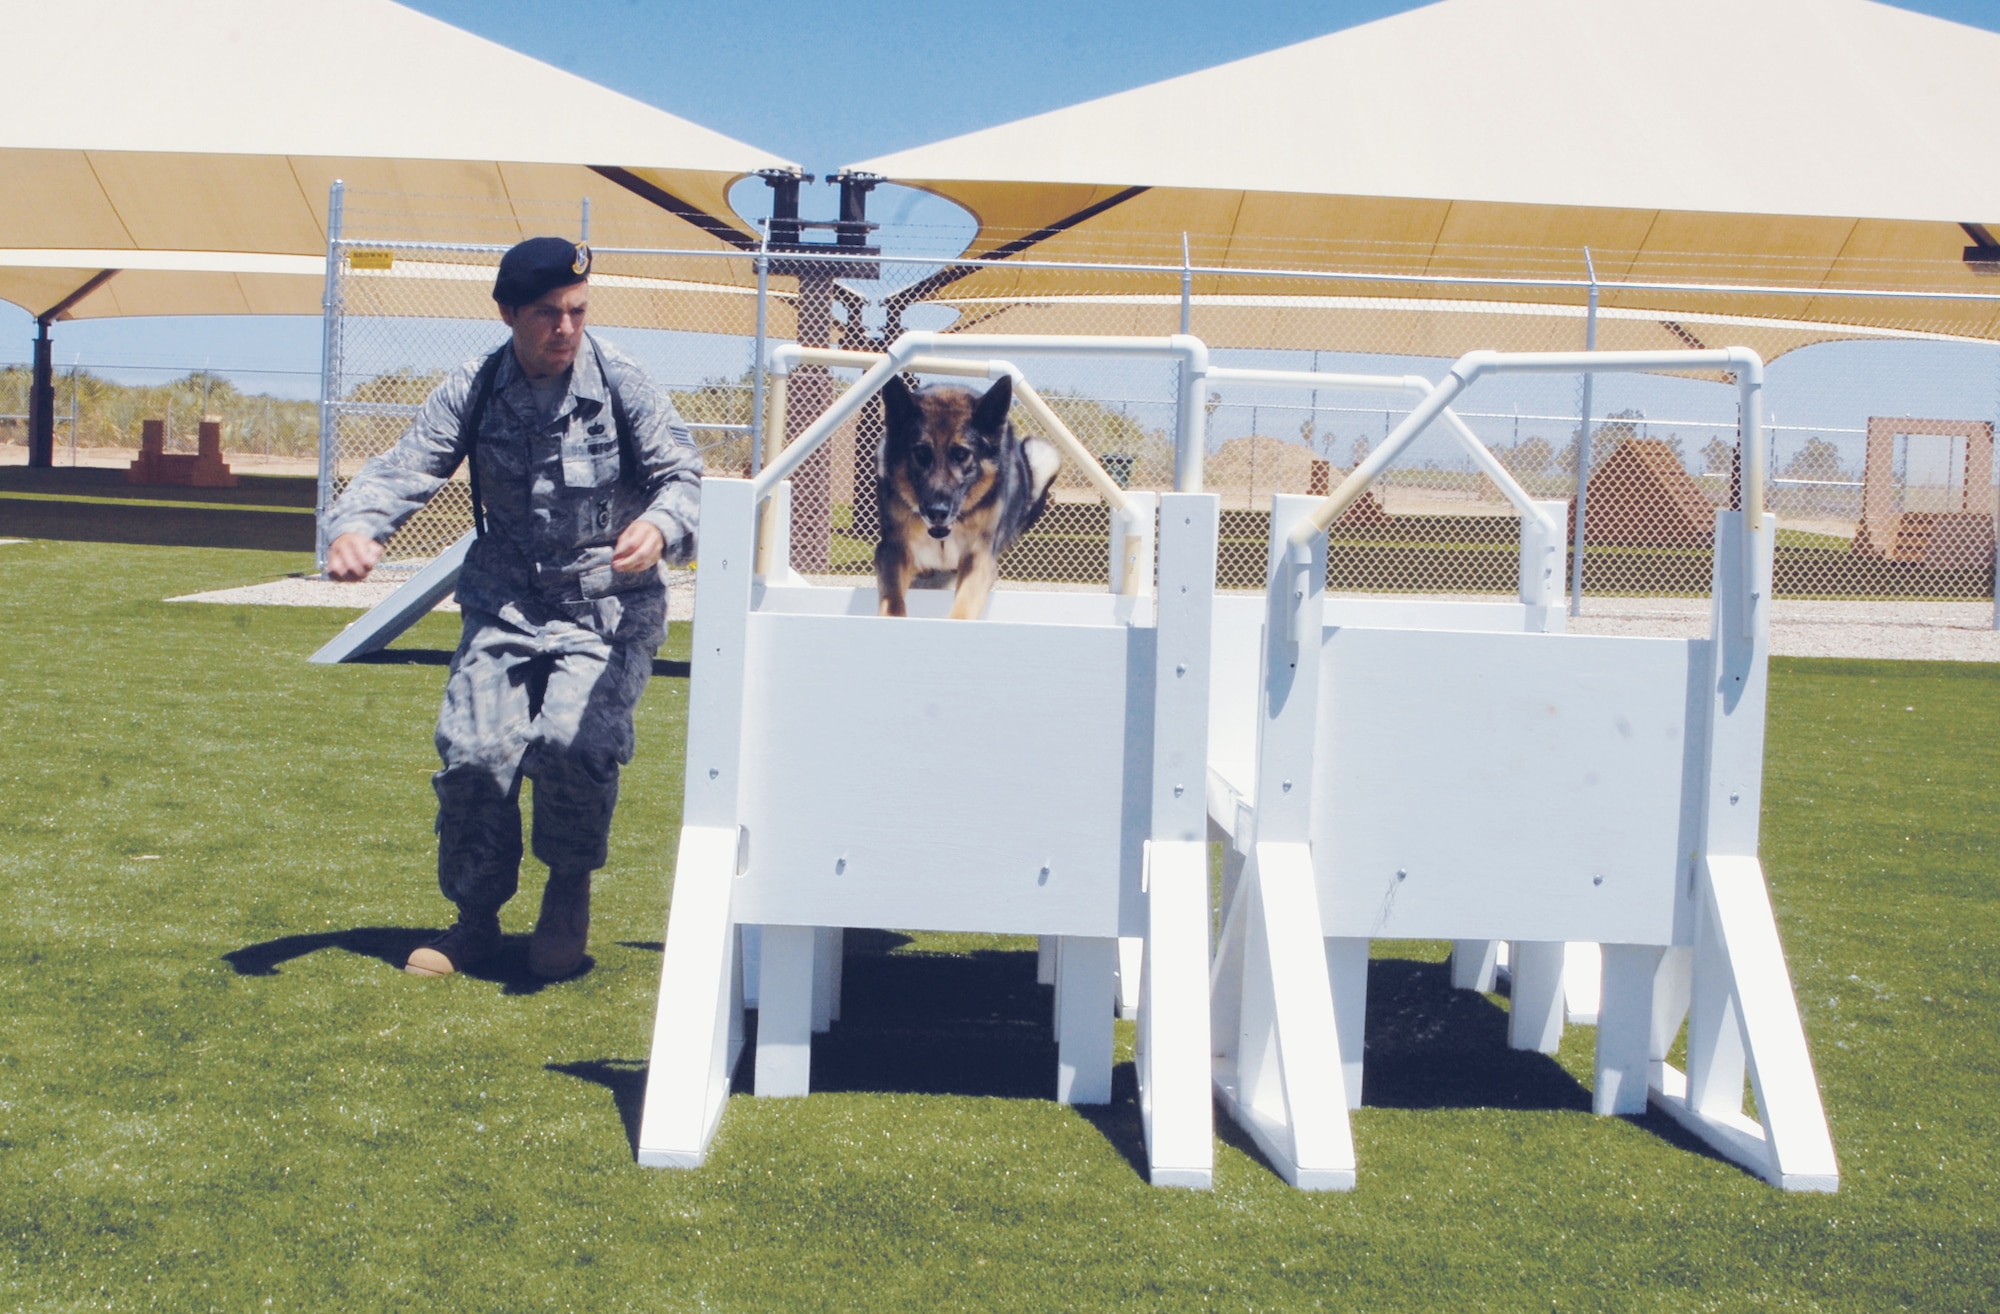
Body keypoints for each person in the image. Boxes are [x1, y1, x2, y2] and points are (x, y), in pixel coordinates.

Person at [323, 236, 701, 980]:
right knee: (473, 753)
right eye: (546, 314)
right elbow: (408, 465)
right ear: (507, 313)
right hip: (505, 604)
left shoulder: (621, 382)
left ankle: (566, 896)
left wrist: (659, 526)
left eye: (577, 311)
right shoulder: (474, 386)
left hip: (606, 607)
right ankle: (474, 919)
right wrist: (356, 526)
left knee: (571, 744)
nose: (565, 328)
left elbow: (683, 476)